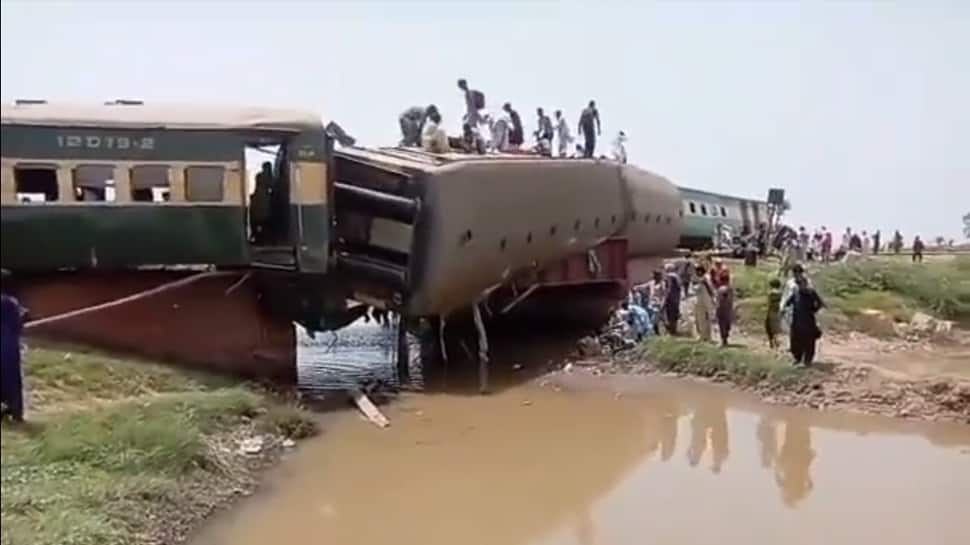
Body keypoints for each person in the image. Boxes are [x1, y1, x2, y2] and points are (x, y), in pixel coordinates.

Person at [1, 270, 26, 422]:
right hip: (10, 349)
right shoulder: (11, 302)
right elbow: (19, 324)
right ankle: (15, 411)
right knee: (13, 380)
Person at [784, 276, 825, 366]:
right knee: (795, 342)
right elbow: (787, 303)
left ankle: (807, 361)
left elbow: (820, 304)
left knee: (809, 342)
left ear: (805, 283)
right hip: (796, 321)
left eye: (801, 283)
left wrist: (813, 310)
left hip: (808, 321)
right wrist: (786, 311)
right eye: (798, 284)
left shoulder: (811, 293)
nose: (799, 285)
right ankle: (797, 359)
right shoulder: (795, 293)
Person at [250, 162, 274, 243]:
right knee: (264, 222)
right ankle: (263, 238)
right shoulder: (270, 178)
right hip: (265, 201)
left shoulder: (259, 176)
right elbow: (271, 187)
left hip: (257, 200)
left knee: (256, 220)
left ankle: (256, 236)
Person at [693, 265, 715, 342]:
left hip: (707, 300)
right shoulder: (697, 278)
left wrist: (713, 298)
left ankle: (708, 336)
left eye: (697, 271)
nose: (696, 273)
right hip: (699, 301)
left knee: (708, 318)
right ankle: (702, 335)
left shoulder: (706, 277)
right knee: (700, 318)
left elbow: (710, 289)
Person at [644, 270, 667, 335]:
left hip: (659, 303)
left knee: (657, 318)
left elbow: (664, 295)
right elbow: (644, 286)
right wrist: (636, 287)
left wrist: (662, 303)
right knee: (658, 318)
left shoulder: (662, 283)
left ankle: (661, 331)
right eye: (653, 275)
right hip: (652, 303)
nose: (653, 276)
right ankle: (658, 332)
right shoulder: (651, 283)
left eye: (654, 275)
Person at [715, 275, 734, 347]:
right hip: (729, 309)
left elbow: (720, 300)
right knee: (727, 324)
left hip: (721, 309)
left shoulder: (721, 289)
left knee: (722, 325)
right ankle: (725, 338)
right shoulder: (730, 289)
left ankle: (723, 340)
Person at [663, 264, 682, 335]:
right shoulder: (676, 276)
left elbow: (669, 288)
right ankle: (674, 330)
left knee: (670, 314)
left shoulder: (669, 276)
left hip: (671, 298)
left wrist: (666, 297)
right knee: (675, 314)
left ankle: (672, 331)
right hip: (676, 298)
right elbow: (679, 287)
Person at [765, 277, 783, 349]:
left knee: (769, 327)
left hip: (772, 311)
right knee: (776, 328)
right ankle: (775, 342)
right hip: (779, 312)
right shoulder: (781, 293)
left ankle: (773, 342)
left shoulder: (771, 293)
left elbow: (769, 303)